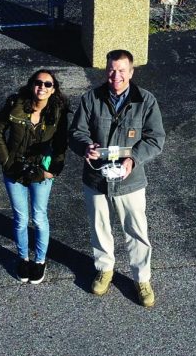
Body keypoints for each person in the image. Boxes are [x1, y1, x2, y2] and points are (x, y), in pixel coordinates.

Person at [69, 49, 165, 308]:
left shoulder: (146, 100)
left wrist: (133, 158)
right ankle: (104, 269)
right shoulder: (91, 98)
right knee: (99, 227)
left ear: (131, 72)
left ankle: (142, 279)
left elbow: (156, 139)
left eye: (122, 70)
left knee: (136, 230)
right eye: (112, 69)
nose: (116, 75)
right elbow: (76, 132)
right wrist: (85, 146)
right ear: (106, 70)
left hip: (130, 180)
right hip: (96, 177)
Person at [0, 70, 68, 284]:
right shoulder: (15, 105)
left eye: (48, 84)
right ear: (31, 84)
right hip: (13, 170)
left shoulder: (58, 112)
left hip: (41, 171)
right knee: (21, 218)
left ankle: (40, 261)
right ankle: (23, 258)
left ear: (54, 89)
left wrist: (53, 169)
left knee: (39, 217)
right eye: (38, 82)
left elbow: (61, 143)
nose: (42, 87)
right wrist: (6, 161)